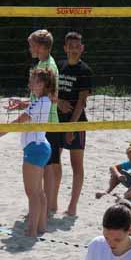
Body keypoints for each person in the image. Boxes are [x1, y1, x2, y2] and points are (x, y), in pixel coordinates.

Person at [0, 67, 55, 237]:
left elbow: (18, 121)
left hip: (35, 148)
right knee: (38, 192)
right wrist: (21, 103)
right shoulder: (42, 100)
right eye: (31, 80)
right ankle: (41, 227)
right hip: (40, 146)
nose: (30, 83)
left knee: (32, 193)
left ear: (42, 84)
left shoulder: (40, 102)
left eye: (34, 81)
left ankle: (32, 231)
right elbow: (28, 109)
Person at [7, 30, 61, 214]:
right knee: (45, 166)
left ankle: (49, 207)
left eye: (31, 45)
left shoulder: (50, 65)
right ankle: (43, 206)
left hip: (47, 122)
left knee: (49, 166)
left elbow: (52, 97)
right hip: (41, 120)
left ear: (40, 46)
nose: (29, 48)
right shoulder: (42, 63)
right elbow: (40, 99)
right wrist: (24, 103)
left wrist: (30, 106)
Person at [52, 32, 94, 216]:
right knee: (54, 161)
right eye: (71, 46)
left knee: (76, 165)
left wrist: (71, 126)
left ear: (82, 48)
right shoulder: (58, 67)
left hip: (76, 122)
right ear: (65, 48)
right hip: (56, 121)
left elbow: (81, 101)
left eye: (77, 46)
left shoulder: (85, 71)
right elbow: (51, 92)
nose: (74, 49)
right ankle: (53, 202)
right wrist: (59, 102)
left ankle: (72, 206)